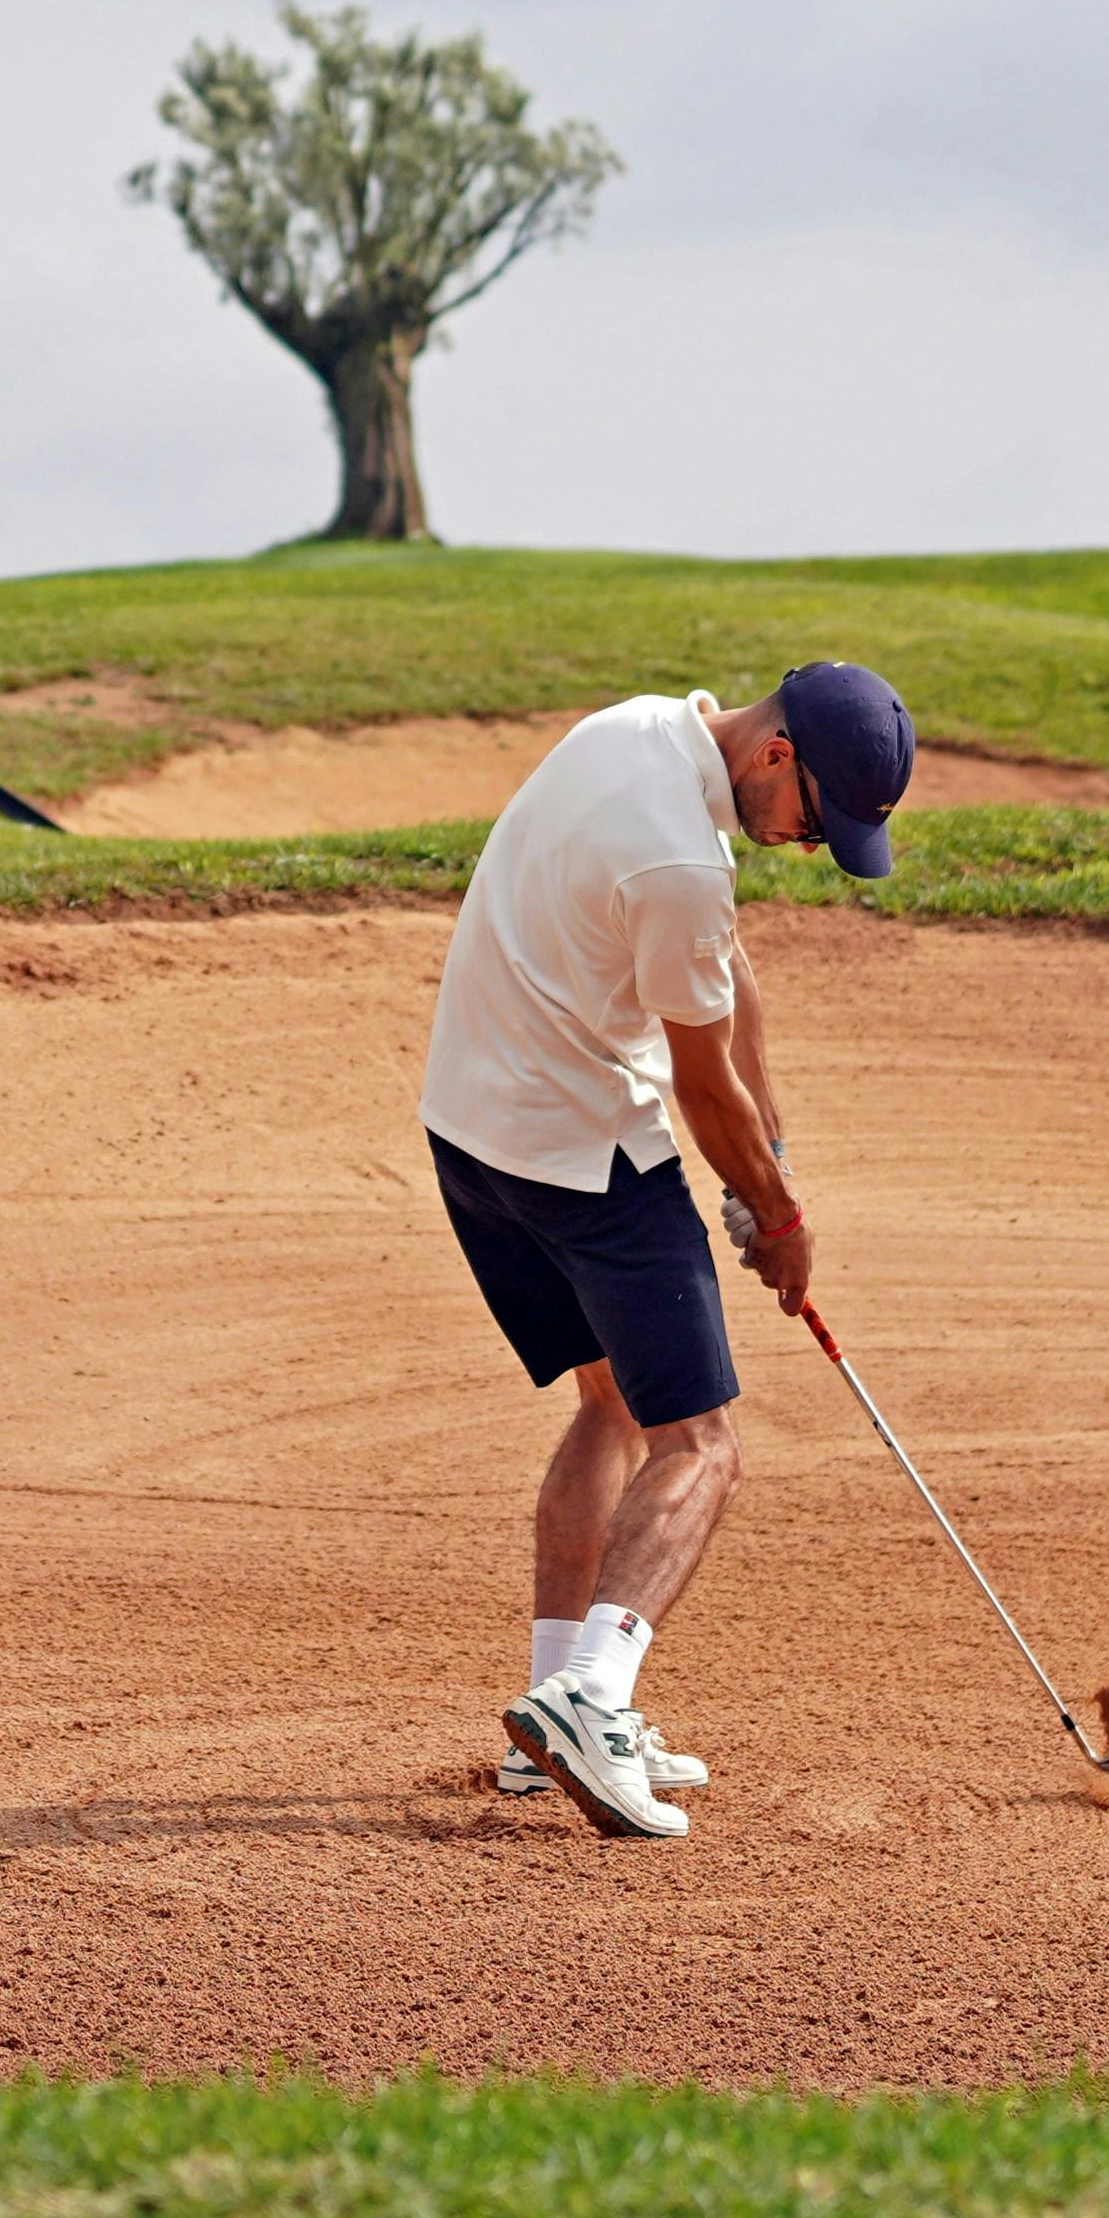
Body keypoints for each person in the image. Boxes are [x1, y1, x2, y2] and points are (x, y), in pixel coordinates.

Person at [422, 660, 917, 1837]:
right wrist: (781, 1222)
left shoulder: (637, 730)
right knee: (702, 1446)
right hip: (583, 1155)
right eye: (816, 821)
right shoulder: (681, 863)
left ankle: (545, 1726)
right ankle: (594, 1697)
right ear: (776, 757)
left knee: (610, 1408)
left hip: (471, 1132)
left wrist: (773, 1150)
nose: (809, 845)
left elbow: (728, 981)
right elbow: (699, 1090)